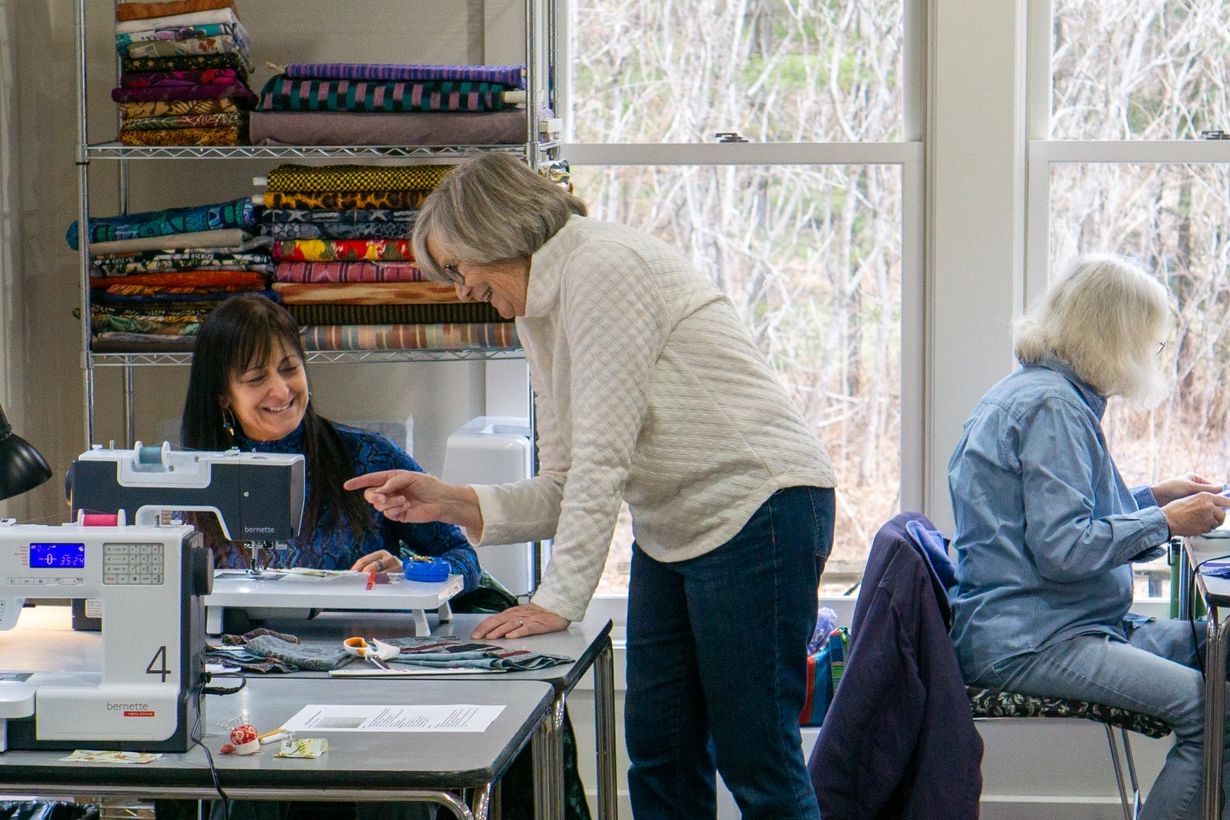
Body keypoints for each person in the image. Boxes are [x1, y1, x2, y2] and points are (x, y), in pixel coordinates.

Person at [345, 152, 837, 820]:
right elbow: (567, 480)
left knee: (756, 758)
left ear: (494, 232)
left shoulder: (601, 266)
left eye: (457, 268)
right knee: (660, 751)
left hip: (759, 507)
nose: (460, 290)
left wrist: (558, 599)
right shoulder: (537, 310)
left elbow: (604, 460)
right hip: (676, 523)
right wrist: (450, 499)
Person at [947, 253, 1230, 819]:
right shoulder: (1052, 408)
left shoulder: (1038, 392)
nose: (1150, 354)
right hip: (1033, 641)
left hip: (1057, 621)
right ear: (1115, 335)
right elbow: (1066, 549)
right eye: (1149, 340)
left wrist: (1156, 498)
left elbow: (1063, 519)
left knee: (1222, 653)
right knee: (1208, 711)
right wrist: (1169, 522)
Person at [179, 294, 481, 589]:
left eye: (289, 369)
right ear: (222, 395)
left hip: (362, 626)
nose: (281, 391)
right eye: (257, 378)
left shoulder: (371, 458)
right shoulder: (194, 481)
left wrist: (407, 574)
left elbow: (465, 559)